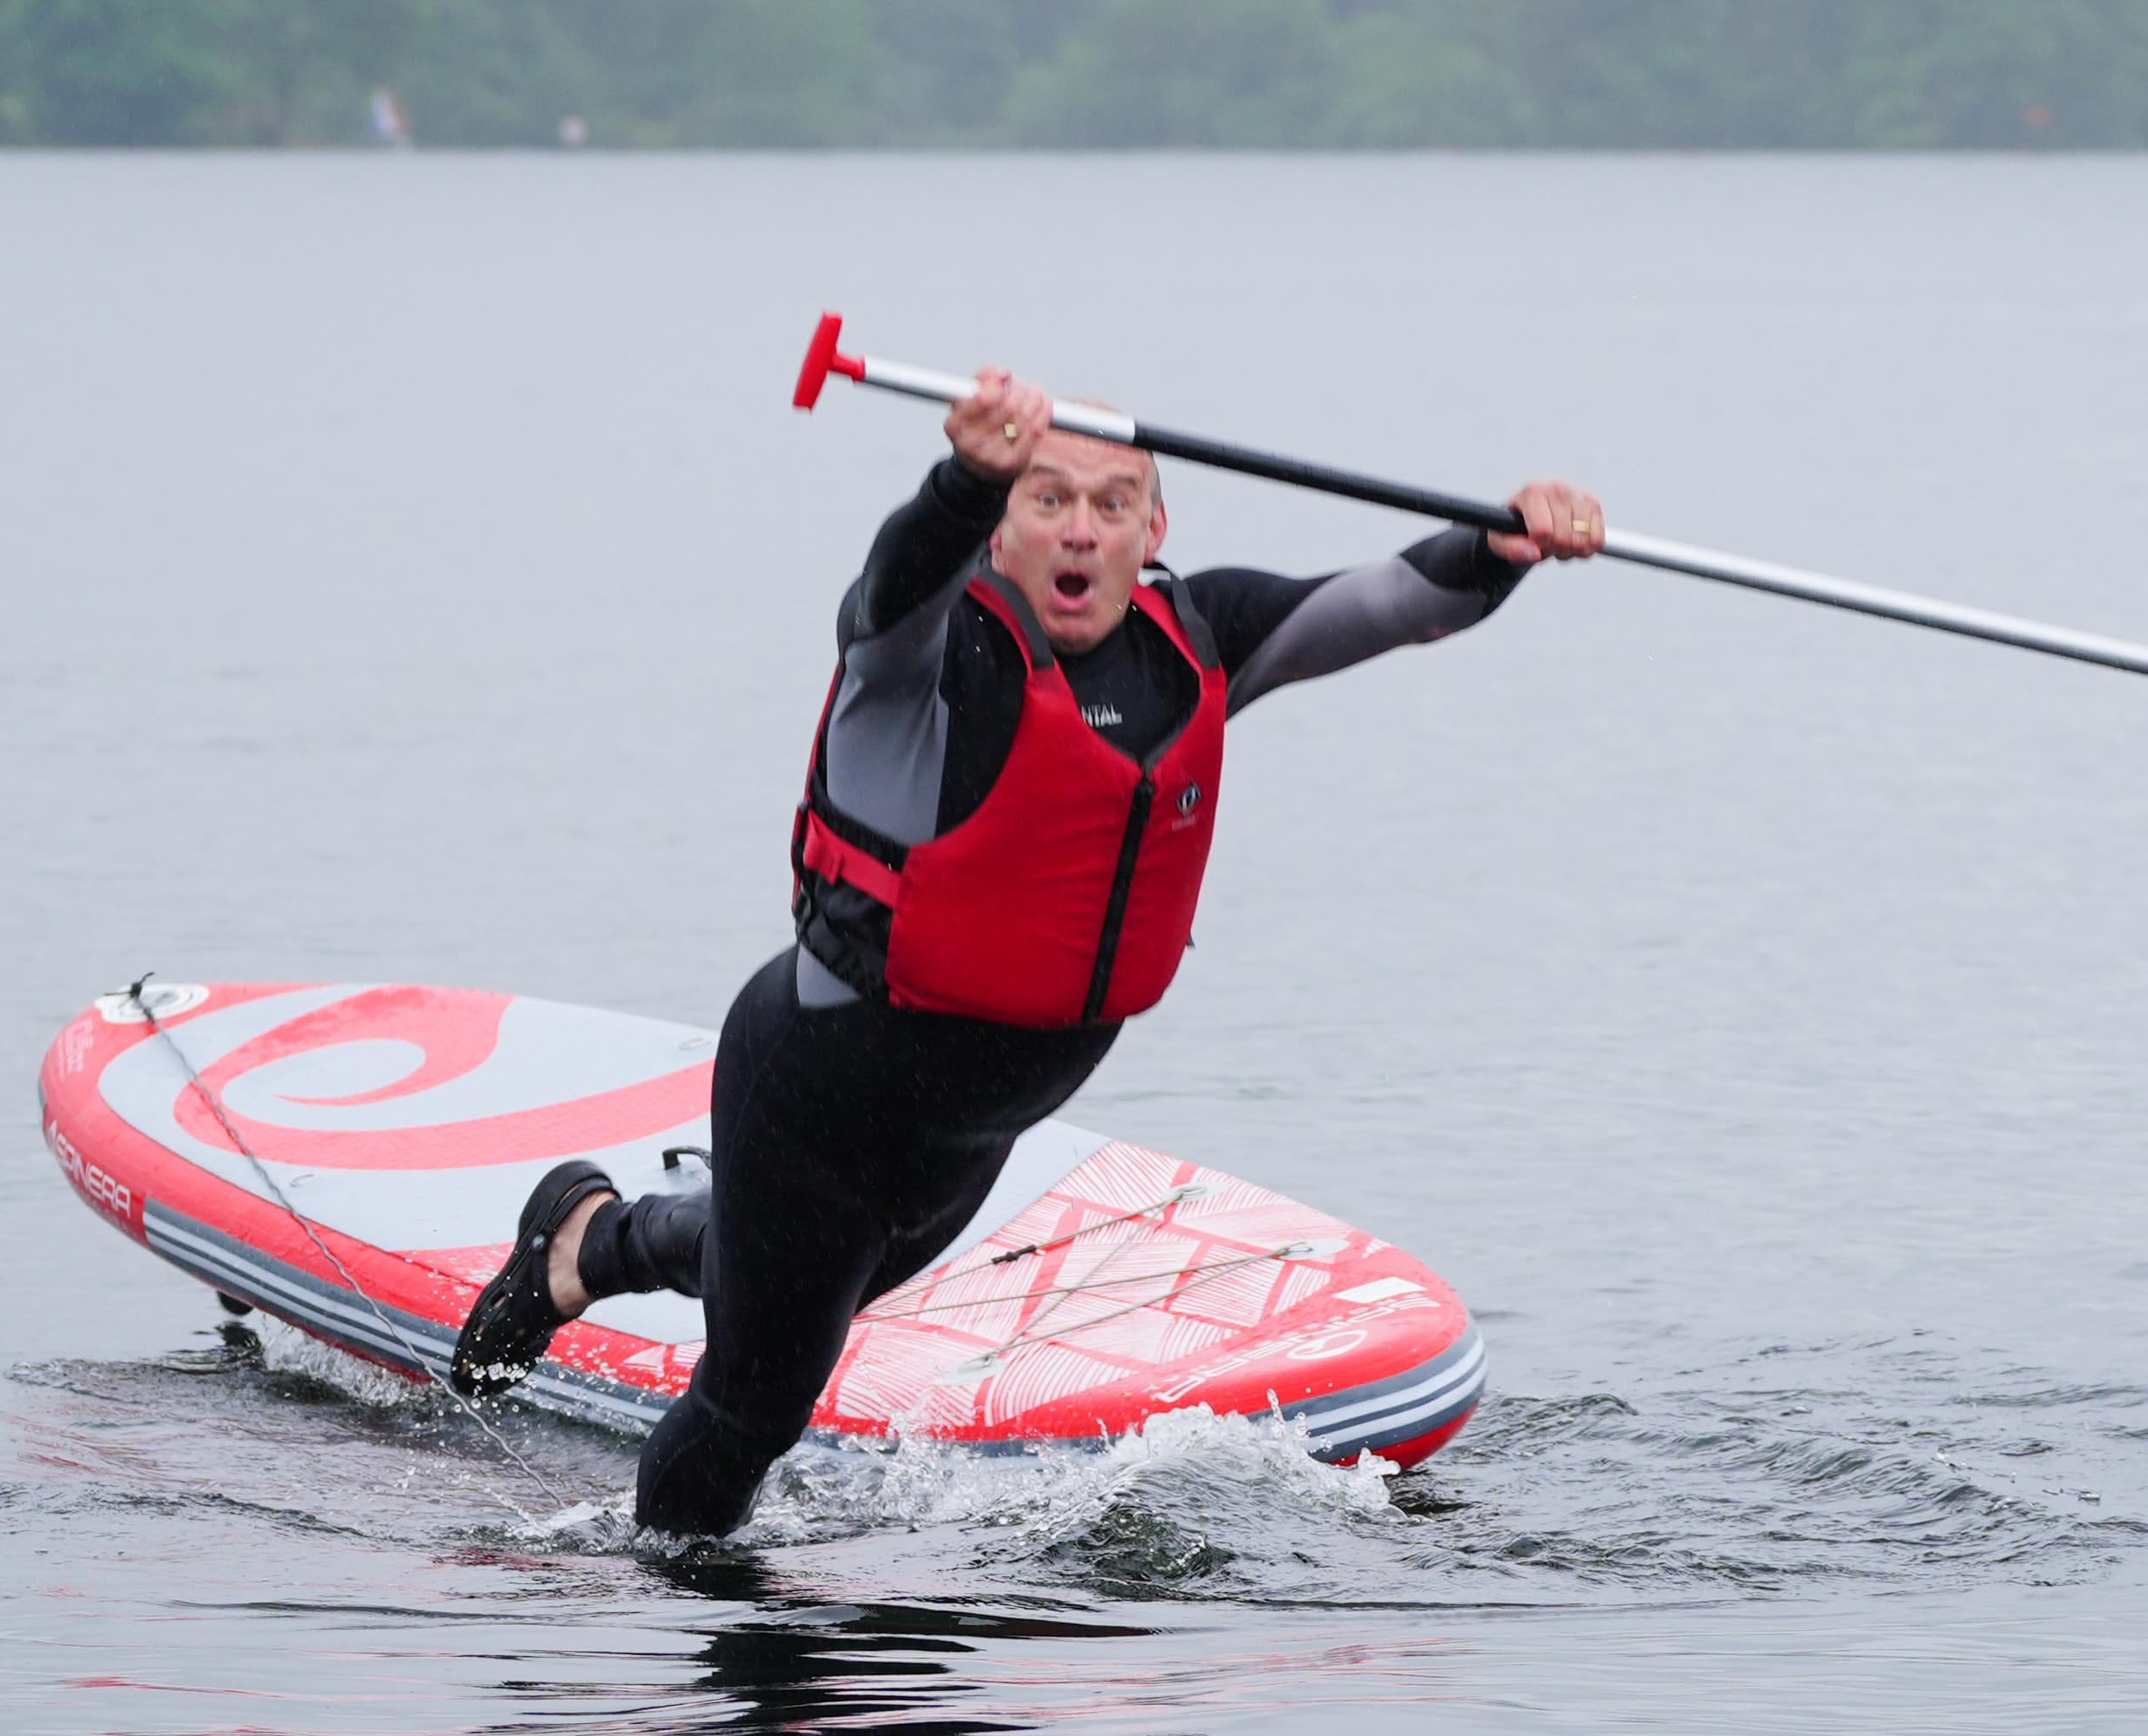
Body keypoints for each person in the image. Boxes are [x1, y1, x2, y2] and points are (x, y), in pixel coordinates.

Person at [450, 368, 1606, 1535]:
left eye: (1111, 504)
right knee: (754, 1404)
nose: (1079, 528)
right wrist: (961, 479)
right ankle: (684, 1616)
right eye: (1046, 498)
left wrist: (1505, 544)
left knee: (790, 1278)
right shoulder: (928, 653)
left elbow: (1391, 599)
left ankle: (582, 1242)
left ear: (1152, 531)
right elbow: (891, 584)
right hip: (818, 1087)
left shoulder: (1194, 642)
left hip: (965, 1140)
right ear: (1001, 525)